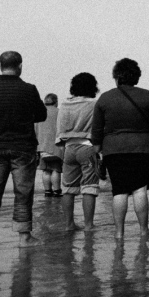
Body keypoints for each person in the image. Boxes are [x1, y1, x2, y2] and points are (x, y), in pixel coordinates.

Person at [92, 58, 149, 240]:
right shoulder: (147, 96)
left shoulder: (105, 98)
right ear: (136, 76)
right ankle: (143, 230)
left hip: (113, 150)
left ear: (116, 76)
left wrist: (97, 150)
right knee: (140, 189)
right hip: (142, 148)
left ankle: (119, 233)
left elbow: (97, 129)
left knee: (119, 190)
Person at [0, 52, 46, 247]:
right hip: (22, 145)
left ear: (0, 65)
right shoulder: (28, 89)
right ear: (20, 66)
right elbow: (41, 115)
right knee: (23, 192)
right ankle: (24, 237)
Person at [57, 73, 101, 231]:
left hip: (69, 148)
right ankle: (89, 225)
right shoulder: (94, 104)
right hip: (87, 148)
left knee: (68, 189)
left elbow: (60, 130)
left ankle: (69, 224)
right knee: (89, 187)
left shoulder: (64, 104)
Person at [35, 93, 64, 197]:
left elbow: (35, 131)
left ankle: (47, 191)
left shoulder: (38, 113)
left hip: (41, 146)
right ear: (56, 102)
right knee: (56, 169)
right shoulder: (59, 112)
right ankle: (57, 190)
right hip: (56, 146)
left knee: (46, 170)